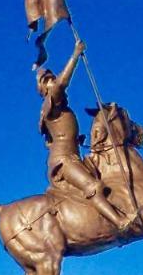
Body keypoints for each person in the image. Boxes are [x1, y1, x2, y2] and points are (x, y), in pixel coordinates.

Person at [35, 41, 130, 229]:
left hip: (74, 156)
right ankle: (120, 222)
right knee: (92, 186)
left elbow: (58, 137)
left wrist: (77, 141)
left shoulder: (64, 111)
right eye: (48, 81)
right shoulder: (49, 106)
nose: (53, 81)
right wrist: (76, 54)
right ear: (44, 89)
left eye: (51, 78)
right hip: (64, 162)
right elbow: (62, 83)